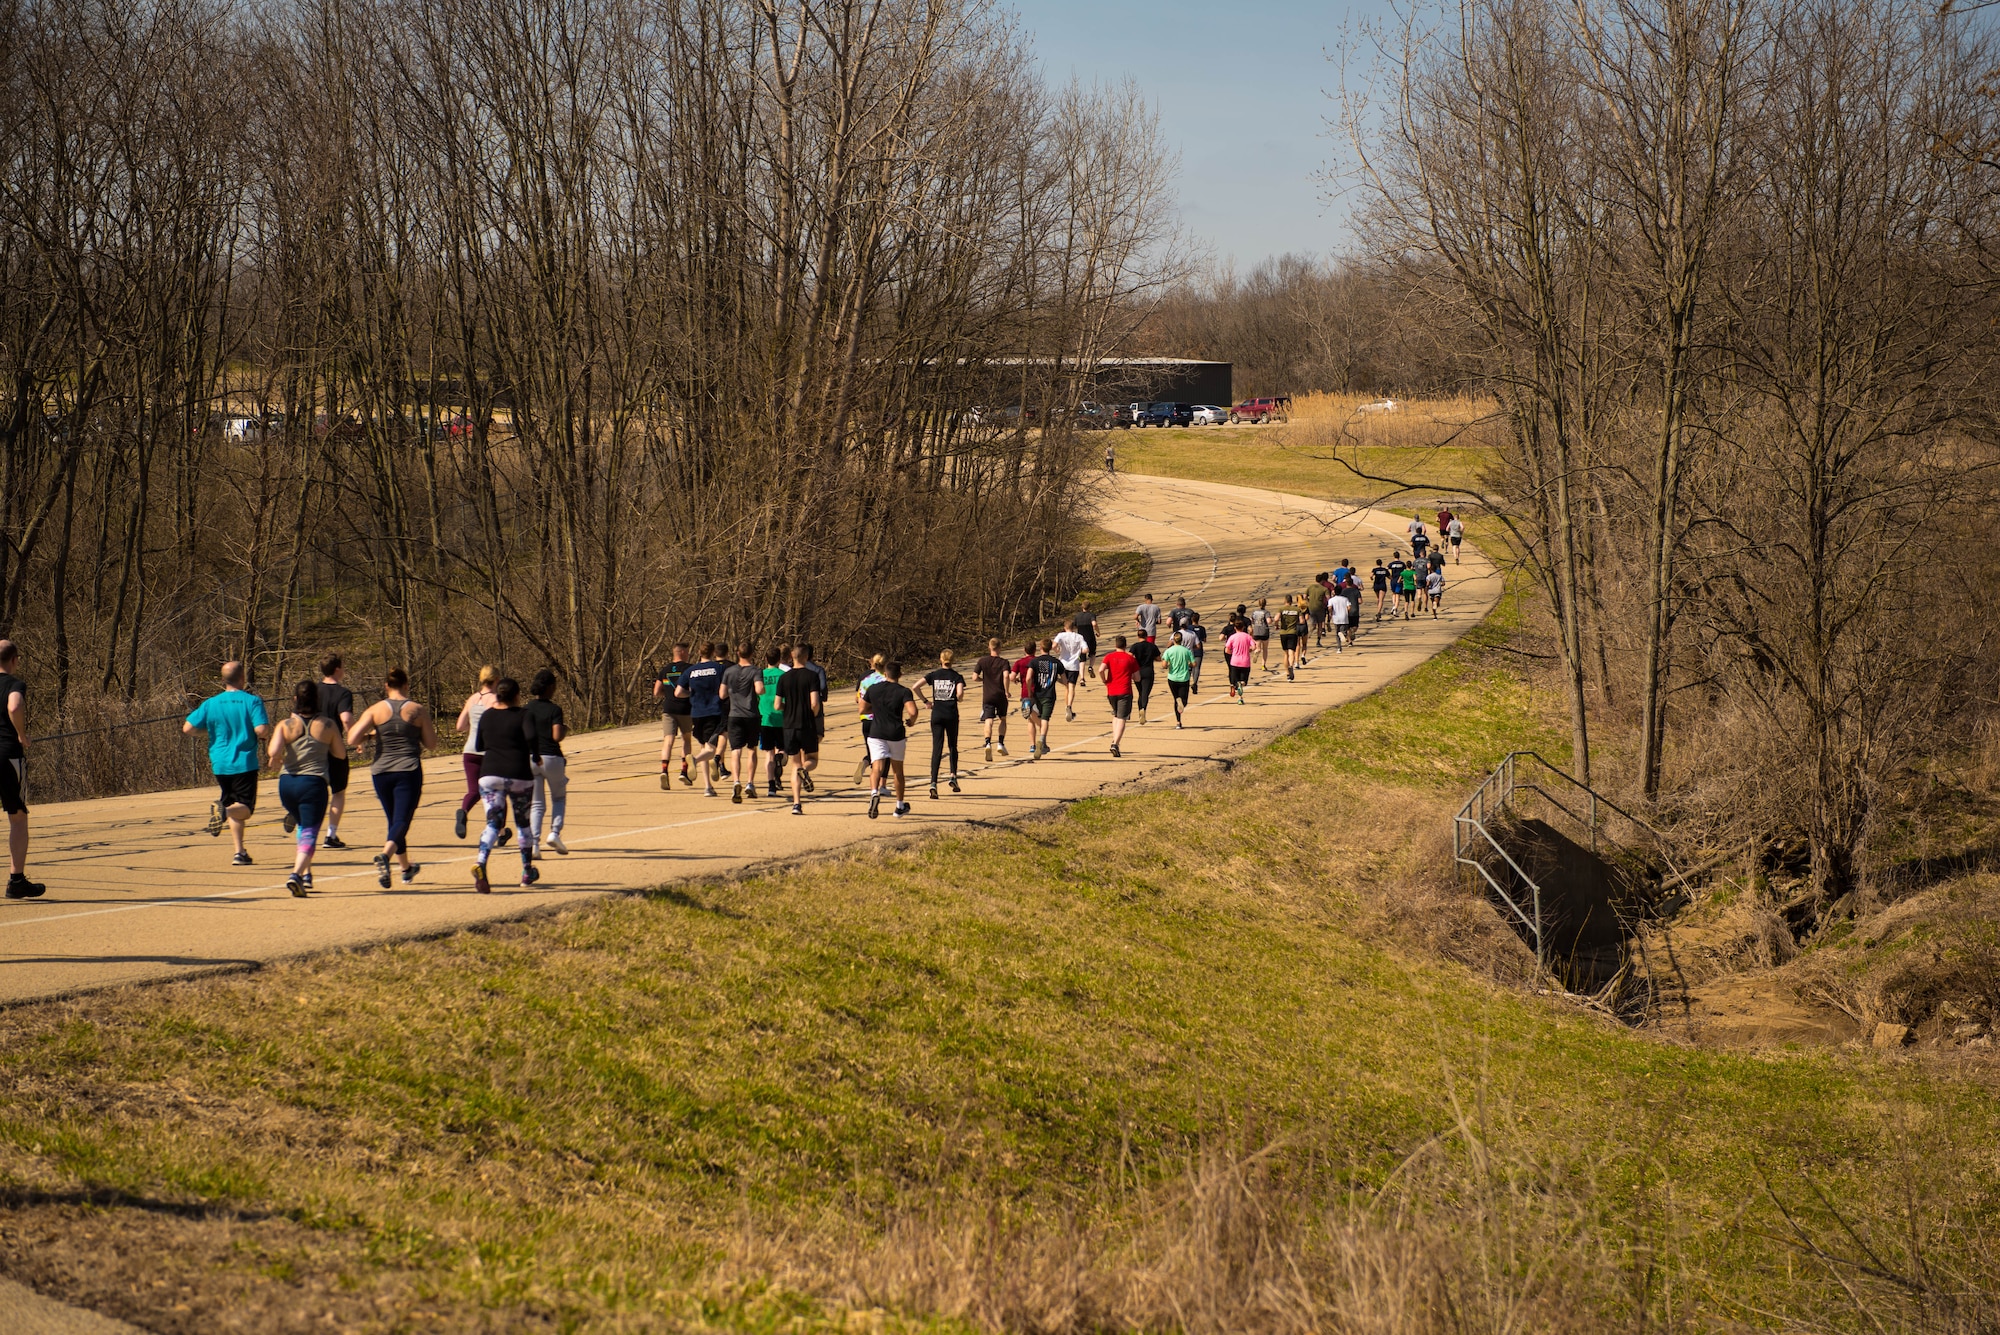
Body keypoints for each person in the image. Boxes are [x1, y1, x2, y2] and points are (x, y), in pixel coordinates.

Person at [346, 667, 436, 888]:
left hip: (381, 772)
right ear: (406, 685)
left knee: (394, 822)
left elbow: (352, 738)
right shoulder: (417, 710)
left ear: (386, 686)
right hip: (408, 770)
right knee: (401, 821)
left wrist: (370, 735)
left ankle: (405, 869)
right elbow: (432, 744)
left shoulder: (375, 710)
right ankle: (385, 856)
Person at [184, 661, 271, 866]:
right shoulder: (252, 701)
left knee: (235, 803)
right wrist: (262, 732)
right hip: (244, 762)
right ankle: (224, 811)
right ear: (243, 678)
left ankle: (239, 852)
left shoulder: (211, 703)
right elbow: (261, 730)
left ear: (223, 680)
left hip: (220, 762)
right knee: (245, 808)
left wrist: (208, 732)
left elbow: (188, 728)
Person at [265, 679, 345, 897]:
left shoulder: (285, 725)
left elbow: (273, 751)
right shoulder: (328, 725)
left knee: (302, 825)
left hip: (287, 784)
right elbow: (340, 754)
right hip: (313, 783)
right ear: (317, 700)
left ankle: (307, 874)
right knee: (310, 831)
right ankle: (296, 874)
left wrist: (279, 756)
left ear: (295, 700)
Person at [471, 676, 541, 892]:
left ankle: (481, 862)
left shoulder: (487, 716)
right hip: (518, 773)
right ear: (517, 696)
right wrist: (536, 755)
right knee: (522, 824)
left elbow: (479, 744)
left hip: (490, 774)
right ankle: (526, 872)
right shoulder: (524, 714)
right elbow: (531, 737)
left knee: (493, 823)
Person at [0, 641, 43, 899]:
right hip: (6, 756)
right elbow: (15, 705)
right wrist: (22, 734)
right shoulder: (14, 684)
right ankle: (16, 881)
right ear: (15, 660)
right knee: (17, 817)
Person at [863, 661, 919, 818]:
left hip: (876, 732)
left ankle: (874, 792)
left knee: (877, 768)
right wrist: (911, 721)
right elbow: (913, 711)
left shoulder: (873, 689)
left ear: (885, 674)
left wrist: (875, 708)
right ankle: (899, 806)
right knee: (897, 771)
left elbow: (862, 708)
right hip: (895, 733)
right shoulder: (903, 692)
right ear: (900, 675)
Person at [524, 669, 569, 856]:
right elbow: (556, 736)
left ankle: (534, 843)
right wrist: (565, 729)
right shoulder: (554, 709)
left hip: (530, 757)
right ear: (551, 687)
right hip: (551, 757)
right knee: (558, 797)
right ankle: (554, 833)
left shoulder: (526, 709)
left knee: (536, 804)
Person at [454, 666, 500, 840]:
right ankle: (499, 829)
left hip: (470, 751)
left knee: (473, 790)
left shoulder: (473, 698)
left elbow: (459, 726)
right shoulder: (495, 700)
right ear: (496, 680)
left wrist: (472, 726)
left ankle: (463, 810)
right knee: (494, 793)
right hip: (488, 752)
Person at [677, 643, 728, 797]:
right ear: (713, 652)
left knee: (704, 747)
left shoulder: (690, 671)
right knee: (711, 750)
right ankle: (694, 760)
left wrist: (690, 694)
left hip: (696, 713)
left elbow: (678, 692)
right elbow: (724, 690)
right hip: (713, 711)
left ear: (699, 653)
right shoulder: (718, 668)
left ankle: (708, 787)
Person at [775, 646, 821, 814]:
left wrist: (789, 709)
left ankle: (796, 804)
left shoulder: (784, 678)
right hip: (806, 724)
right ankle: (805, 770)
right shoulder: (812, 676)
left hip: (788, 725)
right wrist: (812, 714)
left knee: (794, 764)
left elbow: (777, 704)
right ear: (806, 657)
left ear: (791, 657)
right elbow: (814, 703)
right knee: (812, 759)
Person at [316, 655, 355, 848]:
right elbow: (346, 718)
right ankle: (330, 835)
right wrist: (355, 737)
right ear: (337, 669)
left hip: (312, 748)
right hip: (334, 747)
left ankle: (300, 817)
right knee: (338, 791)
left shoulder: (311, 690)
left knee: (314, 789)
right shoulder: (343, 693)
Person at [918, 649, 965, 799]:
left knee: (937, 748)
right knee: (952, 746)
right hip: (951, 714)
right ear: (953, 660)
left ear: (941, 659)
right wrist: (956, 697)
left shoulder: (934, 675)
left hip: (937, 714)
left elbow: (915, 687)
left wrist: (926, 701)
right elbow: (960, 695)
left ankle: (933, 782)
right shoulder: (957, 677)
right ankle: (953, 776)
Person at [721, 643, 762, 804]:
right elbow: (759, 690)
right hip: (751, 714)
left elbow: (722, 694)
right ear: (752, 653)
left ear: (737, 653)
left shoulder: (729, 671)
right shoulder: (756, 671)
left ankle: (736, 780)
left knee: (735, 750)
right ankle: (750, 783)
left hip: (734, 714)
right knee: (751, 750)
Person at [653, 643, 695, 789]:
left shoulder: (665, 670)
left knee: (668, 740)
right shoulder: (689, 669)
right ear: (682, 652)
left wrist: (668, 693)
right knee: (686, 739)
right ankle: (684, 770)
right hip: (685, 709)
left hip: (668, 708)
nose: (689, 654)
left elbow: (657, 691)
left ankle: (664, 769)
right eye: (687, 652)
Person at [757, 645, 788, 800]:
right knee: (782, 748)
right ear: (780, 659)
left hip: (765, 718)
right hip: (781, 717)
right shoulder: (783, 675)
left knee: (768, 753)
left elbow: (756, 697)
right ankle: (780, 757)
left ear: (765, 659)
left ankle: (771, 786)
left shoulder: (760, 675)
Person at [974, 638, 1012, 761]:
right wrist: (1006, 690)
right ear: (1000, 648)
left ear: (989, 647)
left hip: (988, 695)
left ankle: (988, 742)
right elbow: (1006, 676)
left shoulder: (982, 661)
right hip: (1000, 694)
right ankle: (1000, 743)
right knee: (1003, 719)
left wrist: (983, 680)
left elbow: (974, 677)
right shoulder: (1004, 662)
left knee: (988, 720)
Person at [853, 653, 887, 786]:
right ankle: (881, 785)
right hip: (881, 719)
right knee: (883, 754)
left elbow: (858, 699)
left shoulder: (865, 680)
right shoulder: (886, 679)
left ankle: (865, 762)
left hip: (866, 719)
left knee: (871, 751)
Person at [1100, 635, 1137, 756]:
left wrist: (1104, 680)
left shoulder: (1109, 657)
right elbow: (1137, 677)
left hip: (1111, 690)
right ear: (1125, 645)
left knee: (1116, 715)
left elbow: (1101, 669)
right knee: (1122, 717)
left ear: (1115, 645)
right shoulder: (1130, 658)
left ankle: (1114, 739)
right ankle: (1115, 743)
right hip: (1124, 690)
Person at [1028, 639, 1062, 758]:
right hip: (1049, 695)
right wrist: (1056, 679)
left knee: (1038, 716)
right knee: (1045, 718)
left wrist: (1029, 691)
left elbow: (1028, 678)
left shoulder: (1035, 662)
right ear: (1050, 648)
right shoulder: (1056, 662)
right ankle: (1042, 742)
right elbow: (1065, 680)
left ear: (1040, 647)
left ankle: (1043, 743)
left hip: (1037, 694)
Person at [1051, 618, 1090, 722]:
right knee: (1071, 687)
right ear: (1074, 628)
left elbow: (1053, 645)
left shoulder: (1061, 635)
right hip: (1074, 665)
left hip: (1062, 663)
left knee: (1066, 687)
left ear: (1065, 628)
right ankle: (1069, 706)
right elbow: (1086, 649)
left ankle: (1066, 706)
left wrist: (1057, 650)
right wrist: (1080, 651)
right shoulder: (1079, 637)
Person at [1162, 630, 1194, 728]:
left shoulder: (1168, 651)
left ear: (1173, 640)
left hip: (1172, 678)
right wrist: (1189, 663)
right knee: (1183, 700)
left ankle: (1178, 722)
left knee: (1176, 699)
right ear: (1182, 640)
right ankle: (1181, 704)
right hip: (1184, 678)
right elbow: (1194, 664)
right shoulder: (1186, 651)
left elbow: (1164, 665)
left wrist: (1168, 665)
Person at [1129, 630, 1161, 724]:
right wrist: (1152, 657)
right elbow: (1159, 658)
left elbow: (1129, 656)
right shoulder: (1152, 646)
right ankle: (1143, 709)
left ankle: (1140, 711)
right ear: (1146, 636)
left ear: (1138, 636)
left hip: (1137, 671)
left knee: (1140, 692)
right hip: (1148, 671)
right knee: (1145, 693)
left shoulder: (1135, 646)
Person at [1225, 619, 1255, 704]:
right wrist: (1248, 650)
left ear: (1235, 628)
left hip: (1234, 661)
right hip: (1245, 662)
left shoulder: (1232, 637)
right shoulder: (1248, 637)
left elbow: (1227, 650)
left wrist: (1232, 653)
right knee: (1243, 682)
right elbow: (1253, 647)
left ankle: (1239, 691)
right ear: (1243, 627)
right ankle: (1240, 698)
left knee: (1236, 681)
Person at [1277, 595, 1305, 680]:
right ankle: (1291, 666)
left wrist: (1276, 625)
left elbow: (1276, 618)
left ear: (1285, 600)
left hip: (1283, 633)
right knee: (1291, 652)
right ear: (1291, 601)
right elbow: (1302, 621)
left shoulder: (1281, 609)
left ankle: (1287, 673)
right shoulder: (1296, 610)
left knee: (1285, 653)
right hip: (1293, 633)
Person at [1248, 597, 1274, 672]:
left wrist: (1254, 623)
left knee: (1258, 647)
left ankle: (1257, 651)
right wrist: (1271, 620)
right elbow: (1268, 621)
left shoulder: (1254, 612)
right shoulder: (1266, 612)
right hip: (1264, 631)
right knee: (1265, 649)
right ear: (1265, 604)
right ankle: (1263, 665)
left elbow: (1251, 620)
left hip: (1256, 631)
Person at [1073, 601, 1099, 672]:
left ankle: (1082, 677)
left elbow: (1074, 626)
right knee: (1092, 653)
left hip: (1080, 638)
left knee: (1082, 658)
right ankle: (1090, 667)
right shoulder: (1091, 615)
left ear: (1082, 606)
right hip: (1090, 637)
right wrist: (1097, 632)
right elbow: (1094, 623)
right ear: (1089, 607)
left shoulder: (1077, 616)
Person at [1385, 552, 1409, 620]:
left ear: (1394, 556)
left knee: (1394, 594)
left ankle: (1394, 606)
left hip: (1393, 580)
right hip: (1399, 580)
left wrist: (1389, 576)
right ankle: (1395, 608)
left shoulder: (1391, 564)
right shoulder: (1402, 564)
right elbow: (1405, 570)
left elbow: (1386, 569)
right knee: (1398, 595)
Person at [1331, 585, 1355, 652]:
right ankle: (1343, 634)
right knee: (1344, 630)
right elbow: (1349, 607)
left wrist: (1331, 613)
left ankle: (1339, 648)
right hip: (1344, 617)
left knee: (1337, 633)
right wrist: (1346, 612)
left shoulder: (1332, 600)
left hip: (1336, 617)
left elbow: (1330, 607)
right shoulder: (1345, 599)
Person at [1306, 578, 1329, 648]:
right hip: (1320, 608)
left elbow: (1304, 596)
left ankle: (1309, 632)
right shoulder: (1324, 589)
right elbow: (1328, 598)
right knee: (1320, 624)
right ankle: (1318, 641)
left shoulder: (1310, 587)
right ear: (1322, 581)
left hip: (1311, 607)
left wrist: (1308, 602)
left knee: (1313, 622)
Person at [1372, 556, 1392, 622]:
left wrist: (1372, 578)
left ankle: (1378, 610)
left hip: (1376, 585)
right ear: (1381, 563)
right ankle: (1378, 612)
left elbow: (1371, 575)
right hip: (1382, 585)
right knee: (1381, 600)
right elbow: (1390, 577)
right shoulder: (1384, 570)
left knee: (1378, 599)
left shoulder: (1375, 570)